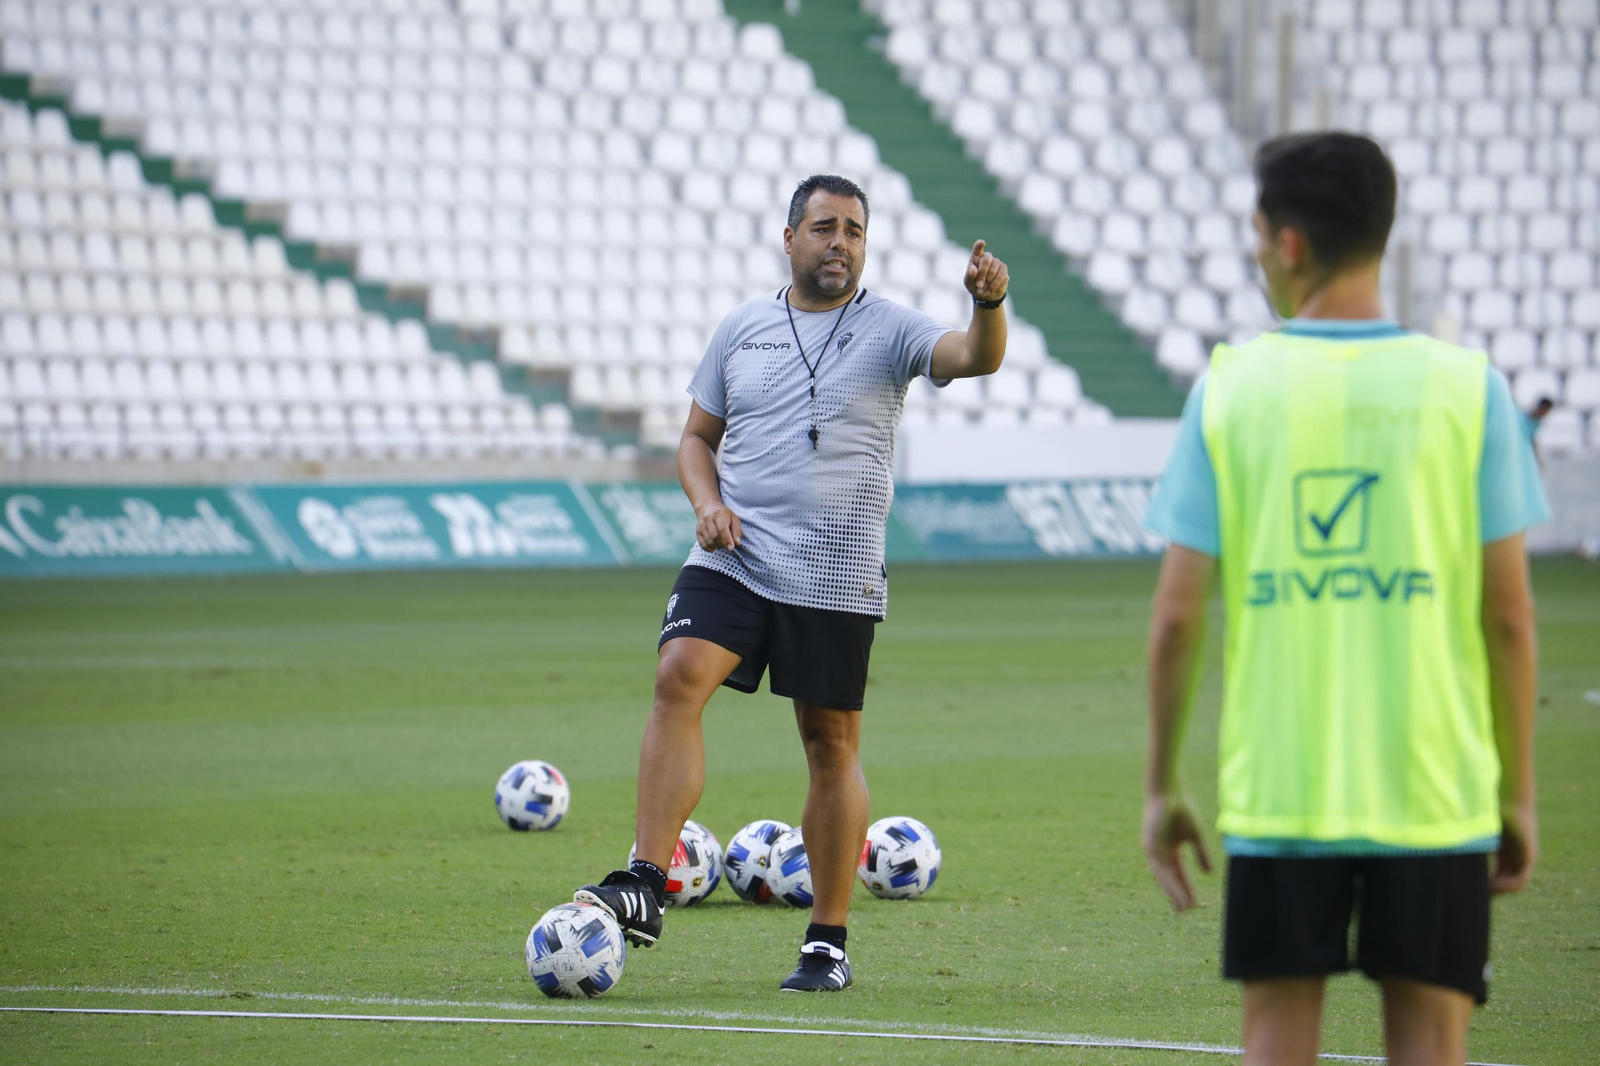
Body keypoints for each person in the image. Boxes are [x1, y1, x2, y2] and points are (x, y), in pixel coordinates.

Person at [1140, 132, 1549, 1065]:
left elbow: (1174, 617)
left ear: (1286, 245)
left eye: (1255, 233)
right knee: (1431, 1045)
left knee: (1277, 1040)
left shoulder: (1229, 388)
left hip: (1285, 789)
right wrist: (1516, 795)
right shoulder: (1472, 391)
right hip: (1437, 791)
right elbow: (1511, 618)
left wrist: (1164, 784)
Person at [574, 174, 1011, 991]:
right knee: (677, 677)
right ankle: (642, 880)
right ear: (790, 237)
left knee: (829, 744)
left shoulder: (893, 329)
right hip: (734, 554)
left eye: (853, 229)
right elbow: (696, 439)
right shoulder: (742, 328)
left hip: (836, 571)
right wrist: (705, 504)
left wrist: (988, 306)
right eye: (823, 227)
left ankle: (827, 941)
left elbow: (974, 356)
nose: (838, 241)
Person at [1520, 396, 1553, 462]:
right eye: (1547, 410)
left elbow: (1532, 438)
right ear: (1543, 407)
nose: (1547, 414)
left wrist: (1537, 457)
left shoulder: (1537, 422)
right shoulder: (1522, 416)